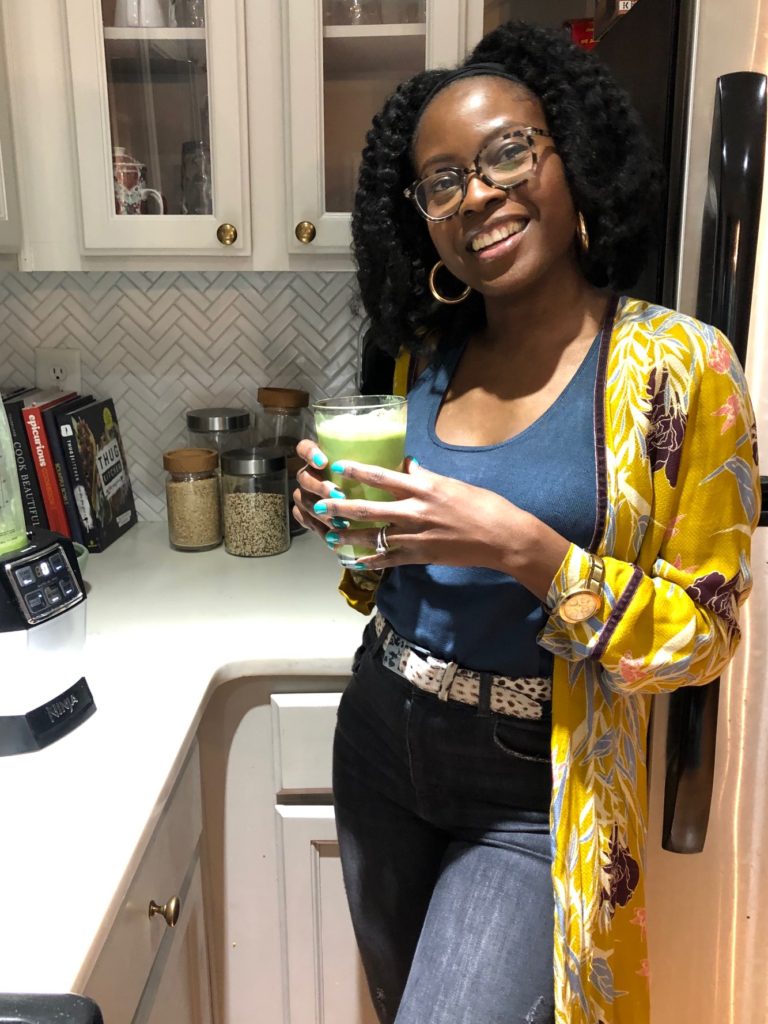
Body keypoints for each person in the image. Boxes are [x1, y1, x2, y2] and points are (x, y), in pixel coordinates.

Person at [293, 20, 760, 1024]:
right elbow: (393, 573)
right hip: (380, 736)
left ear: (571, 157)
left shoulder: (685, 368)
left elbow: (708, 634)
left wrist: (530, 551)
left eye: (507, 152)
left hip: (535, 779)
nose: (477, 195)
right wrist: (343, 521)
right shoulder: (422, 359)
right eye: (442, 181)